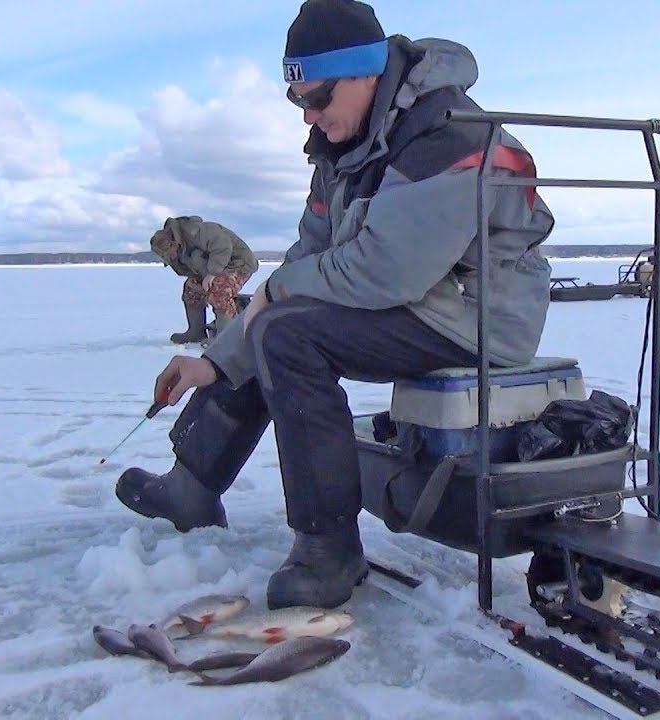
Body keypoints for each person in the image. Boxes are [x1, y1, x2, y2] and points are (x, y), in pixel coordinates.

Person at [116, 0, 553, 610]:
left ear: (366, 72)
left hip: (476, 316)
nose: (310, 118)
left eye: (318, 98)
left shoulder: (449, 131)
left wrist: (275, 296)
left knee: (289, 333)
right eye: (299, 103)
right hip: (421, 303)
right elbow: (309, 255)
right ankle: (194, 484)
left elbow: (384, 269)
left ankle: (330, 549)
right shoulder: (344, 144)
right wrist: (213, 362)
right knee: (276, 321)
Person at [149, 216, 259, 343]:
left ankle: (226, 338)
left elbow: (222, 245)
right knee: (191, 289)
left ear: (172, 244)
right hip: (214, 269)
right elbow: (191, 264)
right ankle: (196, 332)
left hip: (239, 264)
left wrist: (213, 273)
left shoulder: (196, 232)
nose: (168, 257)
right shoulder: (177, 248)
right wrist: (194, 278)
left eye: (167, 254)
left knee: (219, 288)